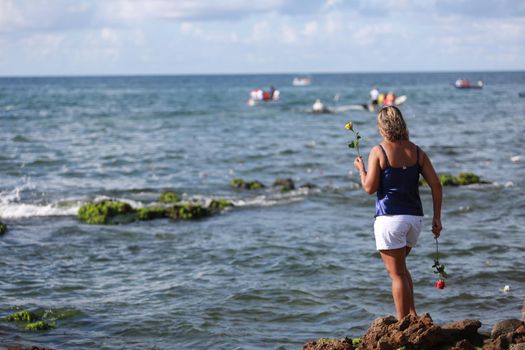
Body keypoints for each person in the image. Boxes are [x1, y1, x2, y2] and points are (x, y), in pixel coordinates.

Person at [353, 106, 443, 321]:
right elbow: (437, 186)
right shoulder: (418, 151)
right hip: (414, 220)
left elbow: (369, 188)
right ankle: (412, 316)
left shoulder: (379, 151)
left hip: (390, 219)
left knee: (396, 275)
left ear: (382, 127)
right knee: (402, 270)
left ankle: (401, 324)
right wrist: (437, 217)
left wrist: (361, 169)